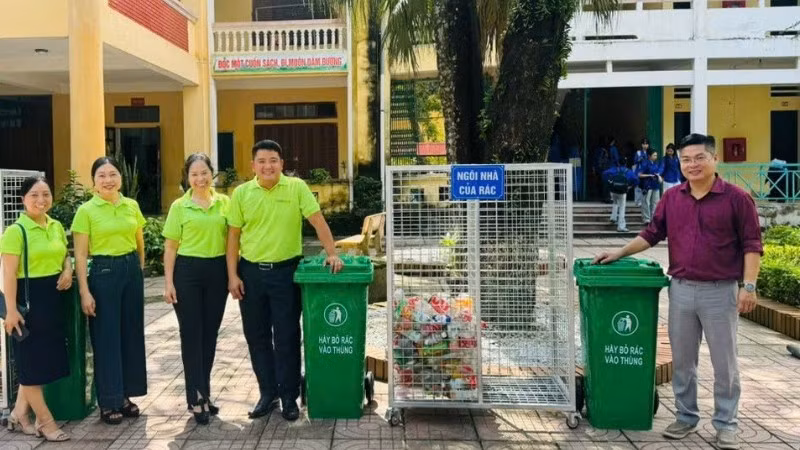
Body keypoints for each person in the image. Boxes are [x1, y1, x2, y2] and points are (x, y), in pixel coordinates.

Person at [594, 133, 762, 450]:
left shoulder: (737, 199)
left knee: (724, 362)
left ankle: (726, 423)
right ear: (679, 162)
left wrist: (748, 286)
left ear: (715, 160)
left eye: (700, 158)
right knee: (684, 361)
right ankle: (686, 417)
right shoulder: (673, 198)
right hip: (681, 289)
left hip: (720, 290)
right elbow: (652, 233)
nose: (692, 164)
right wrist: (618, 253)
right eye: (686, 159)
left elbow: (753, 245)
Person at [226, 139, 344, 422]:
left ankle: (289, 397)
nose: (268, 166)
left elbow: (317, 220)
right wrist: (232, 275)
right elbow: (232, 238)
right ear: (253, 165)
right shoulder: (241, 194)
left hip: (286, 273)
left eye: (273, 160)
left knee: (288, 336)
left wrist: (332, 253)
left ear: (282, 163)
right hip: (251, 274)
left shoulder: (296, 188)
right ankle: (268, 393)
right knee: (257, 336)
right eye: (262, 161)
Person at [72, 157, 147, 425]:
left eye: (113, 174)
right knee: (106, 337)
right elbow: (80, 256)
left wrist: (137, 270)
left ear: (121, 178)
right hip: (103, 273)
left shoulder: (132, 205)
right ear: (94, 182)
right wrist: (84, 291)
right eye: (102, 175)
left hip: (130, 272)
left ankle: (126, 395)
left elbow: (139, 243)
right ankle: (109, 400)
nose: (108, 180)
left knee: (130, 334)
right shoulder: (86, 211)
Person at [0, 176, 71, 441]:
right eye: (34, 195)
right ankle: (46, 421)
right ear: (22, 200)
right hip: (26, 303)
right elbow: (8, 273)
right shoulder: (15, 231)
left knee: (38, 362)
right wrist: (11, 311)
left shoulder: (55, 225)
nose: (41, 200)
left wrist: (68, 268)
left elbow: (64, 253)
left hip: (52, 300)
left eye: (45, 194)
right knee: (30, 365)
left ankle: (19, 414)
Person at [163, 153, 230, 425]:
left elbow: (232, 240)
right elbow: (170, 247)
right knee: (191, 334)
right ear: (187, 177)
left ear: (212, 173)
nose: (200, 178)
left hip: (217, 272)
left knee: (210, 334)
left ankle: (205, 392)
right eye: (194, 174)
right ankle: (196, 397)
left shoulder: (225, 203)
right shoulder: (179, 206)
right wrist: (168, 282)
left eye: (204, 173)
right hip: (187, 273)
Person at [602, 159, 638, 232]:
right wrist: (630, 186)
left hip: (613, 190)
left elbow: (604, 173)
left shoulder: (614, 169)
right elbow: (636, 180)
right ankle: (621, 226)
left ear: (618, 163)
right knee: (622, 208)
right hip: (622, 192)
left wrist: (609, 182)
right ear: (626, 164)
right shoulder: (628, 171)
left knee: (615, 203)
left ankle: (613, 218)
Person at [638, 150, 663, 224]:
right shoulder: (645, 163)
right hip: (647, 185)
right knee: (646, 202)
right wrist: (649, 175)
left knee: (655, 202)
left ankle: (654, 218)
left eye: (656, 155)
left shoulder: (656, 163)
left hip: (655, 185)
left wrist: (658, 175)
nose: (656, 157)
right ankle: (646, 219)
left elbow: (659, 172)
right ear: (649, 156)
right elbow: (640, 174)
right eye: (654, 155)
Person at [633, 138, 650, 207]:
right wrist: (639, 159)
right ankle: (638, 201)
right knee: (638, 187)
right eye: (643, 144)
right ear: (641, 145)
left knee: (646, 187)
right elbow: (635, 161)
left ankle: (645, 201)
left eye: (646, 144)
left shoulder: (650, 152)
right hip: (639, 171)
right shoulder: (638, 152)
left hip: (647, 172)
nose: (645, 145)